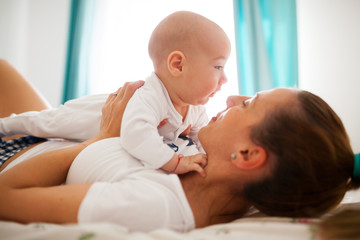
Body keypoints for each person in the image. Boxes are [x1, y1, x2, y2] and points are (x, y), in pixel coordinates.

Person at [0, 59, 359, 232]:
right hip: (47, 136)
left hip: (14, 156)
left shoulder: (153, 204)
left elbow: (7, 197)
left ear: (248, 155)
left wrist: (105, 137)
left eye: (249, 104)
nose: (233, 97)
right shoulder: (205, 163)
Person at [0, 11, 231, 176]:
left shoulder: (196, 109)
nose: (225, 78)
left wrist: (205, 156)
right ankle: (5, 125)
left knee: (47, 128)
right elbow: (137, 136)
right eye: (218, 67)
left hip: (90, 130)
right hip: (89, 115)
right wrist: (176, 162)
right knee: (45, 121)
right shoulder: (151, 97)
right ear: (178, 65)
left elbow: (200, 138)